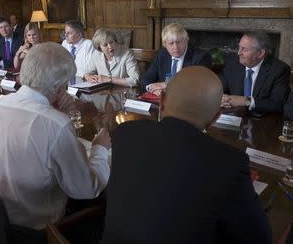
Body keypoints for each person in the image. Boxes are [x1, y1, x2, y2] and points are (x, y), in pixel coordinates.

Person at [102, 66, 271, 243]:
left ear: (162, 101)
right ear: (216, 117)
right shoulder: (230, 163)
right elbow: (259, 238)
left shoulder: (125, 133)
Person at [0, 43, 111, 230]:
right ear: (59, 87)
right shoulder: (56, 124)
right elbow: (86, 189)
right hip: (33, 232)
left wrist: (53, 109)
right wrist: (100, 149)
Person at [221, 32, 290, 113]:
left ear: (260, 53)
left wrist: (246, 101)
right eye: (239, 47)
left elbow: (277, 104)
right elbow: (220, 91)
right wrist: (221, 100)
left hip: (263, 119)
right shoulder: (232, 63)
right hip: (234, 115)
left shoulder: (279, 70)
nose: (239, 53)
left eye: (245, 49)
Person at [141, 23, 212, 95]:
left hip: (189, 101)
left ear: (186, 41)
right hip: (165, 101)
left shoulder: (201, 57)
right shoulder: (162, 54)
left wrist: (166, 84)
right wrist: (152, 89)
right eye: (171, 43)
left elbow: (199, 84)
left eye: (178, 42)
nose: (175, 47)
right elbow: (146, 79)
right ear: (165, 44)